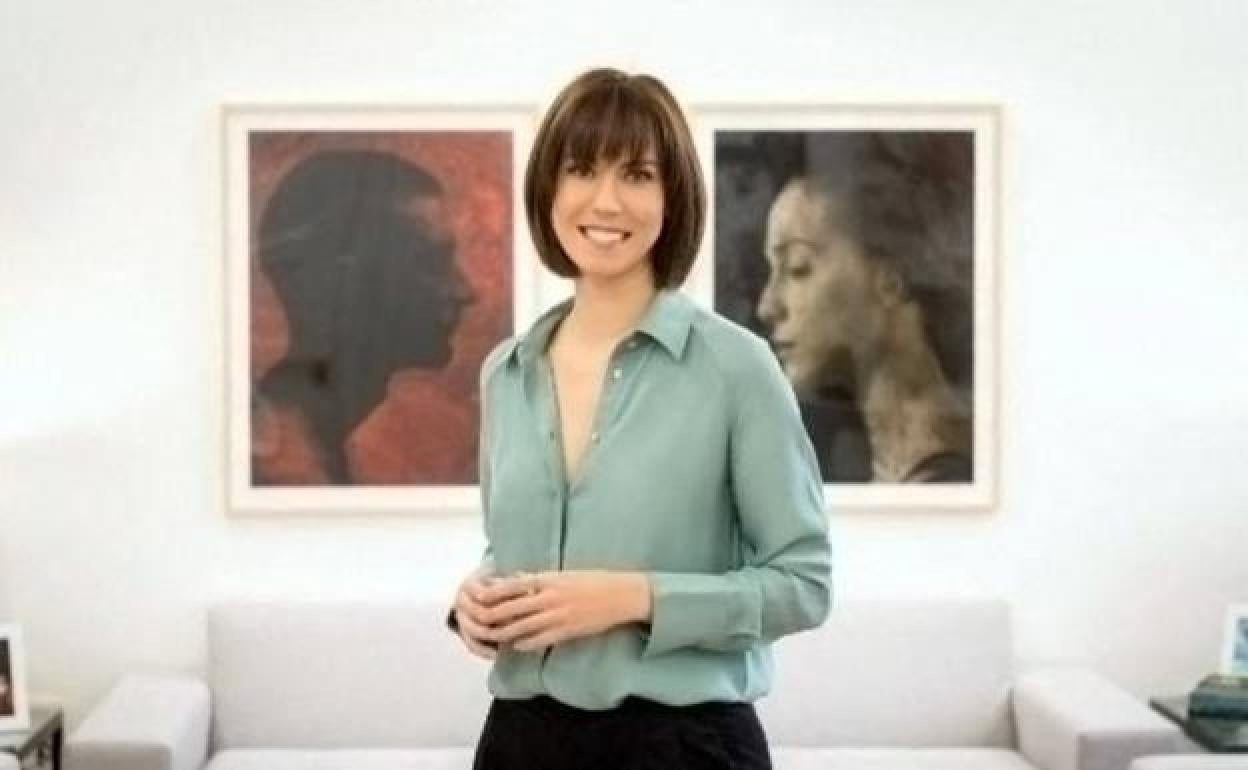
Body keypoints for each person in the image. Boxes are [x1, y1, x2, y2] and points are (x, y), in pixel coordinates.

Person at [447, 68, 832, 770]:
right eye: (581, 169)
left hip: (686, 746)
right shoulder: (505, 372)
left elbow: (803, 586)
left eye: (637, 174)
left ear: (672, 195)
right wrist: (478, 598)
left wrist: (634, 598)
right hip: (519, 742)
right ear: (548, 188)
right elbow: (515, 548)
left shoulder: (737, 367)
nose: (605, 200)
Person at [756, 133, 974, 483]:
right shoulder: (877, 468)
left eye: (798, 268)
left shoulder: (956, 474)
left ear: (889, 277)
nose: (767, 306)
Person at [251, 150, 476, 484]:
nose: (466, 292)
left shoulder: (315, 450)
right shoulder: (276, 469)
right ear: (349, 283)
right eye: (431, 262)